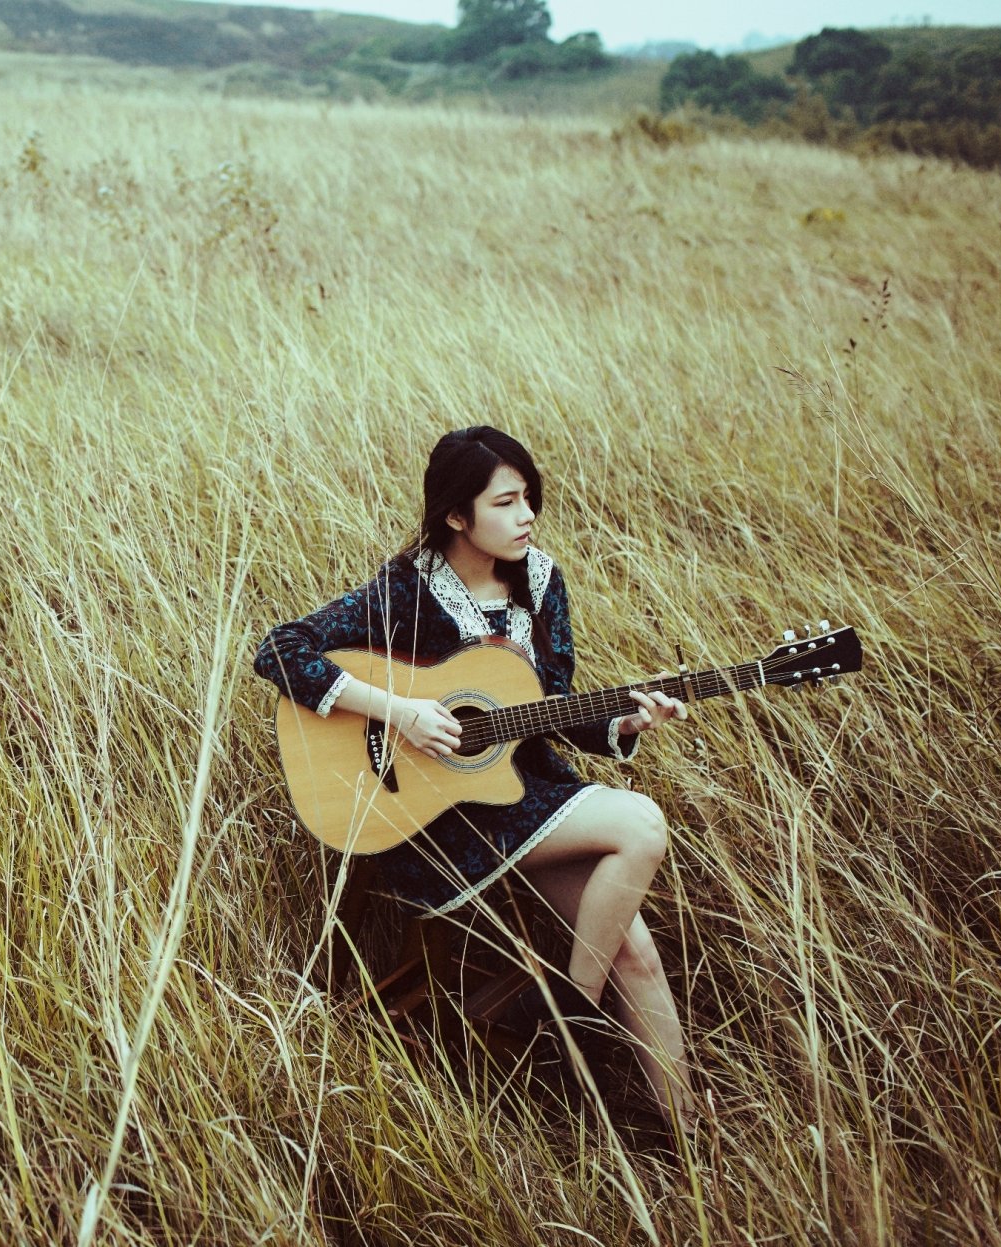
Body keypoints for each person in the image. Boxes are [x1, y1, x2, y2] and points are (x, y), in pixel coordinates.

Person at [254, 426, 700, 1139]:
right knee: (641, 823)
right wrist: (400, 710)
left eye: (531, 498)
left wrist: (625, 724)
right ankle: (574, 1016)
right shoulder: (410, 587)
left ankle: (685, 1136)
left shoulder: (543, 581)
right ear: (458, 515)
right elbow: (282, 649)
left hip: (532, 797)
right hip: (437, 814)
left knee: (635, 950)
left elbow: (552, 707)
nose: (528, 516)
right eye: (507, 501)